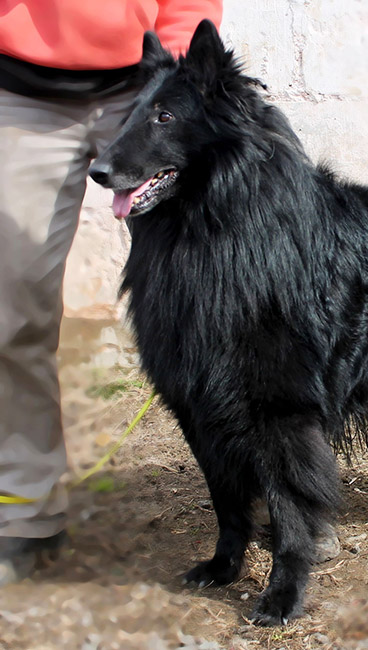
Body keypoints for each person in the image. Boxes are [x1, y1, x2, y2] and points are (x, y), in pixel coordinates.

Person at [0, 0, 223, 586]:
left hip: (145, 82)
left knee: (221, 297)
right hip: (20, 94)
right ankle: (26, 510)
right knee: (12, 311)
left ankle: (272, 494)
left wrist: (176, 72)